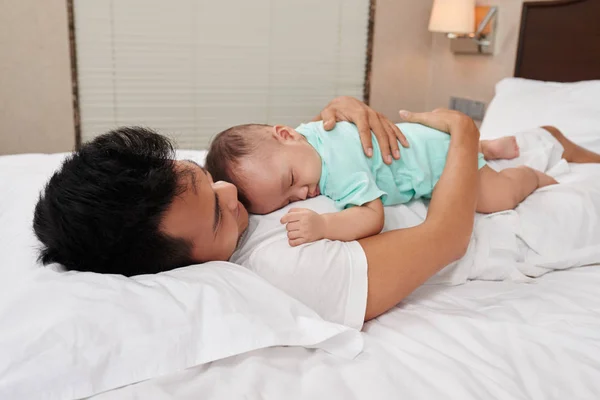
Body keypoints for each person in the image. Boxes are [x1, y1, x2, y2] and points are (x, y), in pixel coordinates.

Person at [33, 97, 600, 328]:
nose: (233, 195)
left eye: (208, 180)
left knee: (535, 142)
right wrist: (464, 133)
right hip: (497, 224)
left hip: (427, 170)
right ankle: (550, 150)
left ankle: (544, 138)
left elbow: (284, 150)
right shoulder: (286, 269)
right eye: (215, 215)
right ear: (175, 267)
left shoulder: (215, 194)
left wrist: (346, 112)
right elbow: (447, 238)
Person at [203, 120, 558, 246]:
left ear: (285, 135)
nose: (302, 194)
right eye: (286, 201)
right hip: (423, 139)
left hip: (446, 160)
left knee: (496, 198)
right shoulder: (309, 134)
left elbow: (372, 216)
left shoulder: (339, 171)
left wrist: (325, 225)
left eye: (292, 181)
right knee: (424, 145)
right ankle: (487, 146)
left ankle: (529, 175)